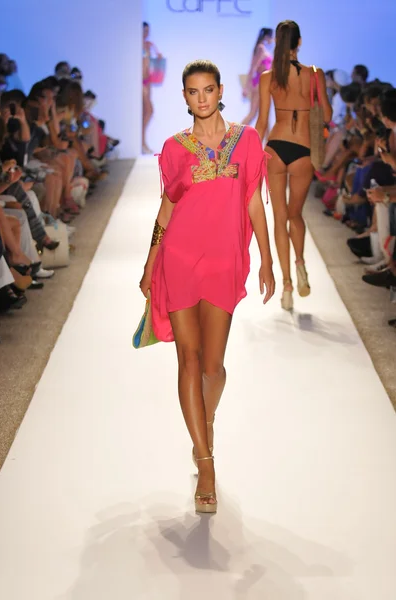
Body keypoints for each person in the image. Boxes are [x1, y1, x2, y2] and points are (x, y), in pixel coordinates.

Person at [139, 59, 275, 514]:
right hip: (179, 260)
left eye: (208, 90)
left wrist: (268, 259)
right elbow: (166, 209)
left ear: (220, 92)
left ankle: (206, 419)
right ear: (184, 97)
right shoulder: (175, 148)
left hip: (223, 261)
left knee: (213, 368)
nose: (201, 98)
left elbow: (254, 199)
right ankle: (206, 461)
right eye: (193, 91)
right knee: (188, 358)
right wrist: (150, 261)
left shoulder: (247, 140)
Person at [255, 20, 332, 310]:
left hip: (275, 147)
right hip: (303, 149)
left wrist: (251, 154)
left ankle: (286, 284)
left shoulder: (268, 77)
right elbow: (325, 114)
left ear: (278, 42)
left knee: (279, 218)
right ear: (299, 42)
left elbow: (262, 122)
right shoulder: (315, 74)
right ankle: (300, 266)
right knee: (296, 216)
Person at [242, 28, 273, 126]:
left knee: (261, 114)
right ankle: (234, 136)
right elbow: (253, 67)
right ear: (267, 37)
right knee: (253, 113)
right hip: (259, 84)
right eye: (271, 37)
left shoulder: (262, 48)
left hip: (263, 83)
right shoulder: (261, 48)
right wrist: (247, 87)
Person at [142, 22, 162, 155]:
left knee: (146, 112)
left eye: (148, 30)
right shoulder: (136, 45)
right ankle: (141, 142)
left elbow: (155, 60)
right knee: (148, 110)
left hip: (147, 81)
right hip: (140, 82)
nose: (146, 33)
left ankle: (142, 142)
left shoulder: (148, 45)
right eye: (144, 30)